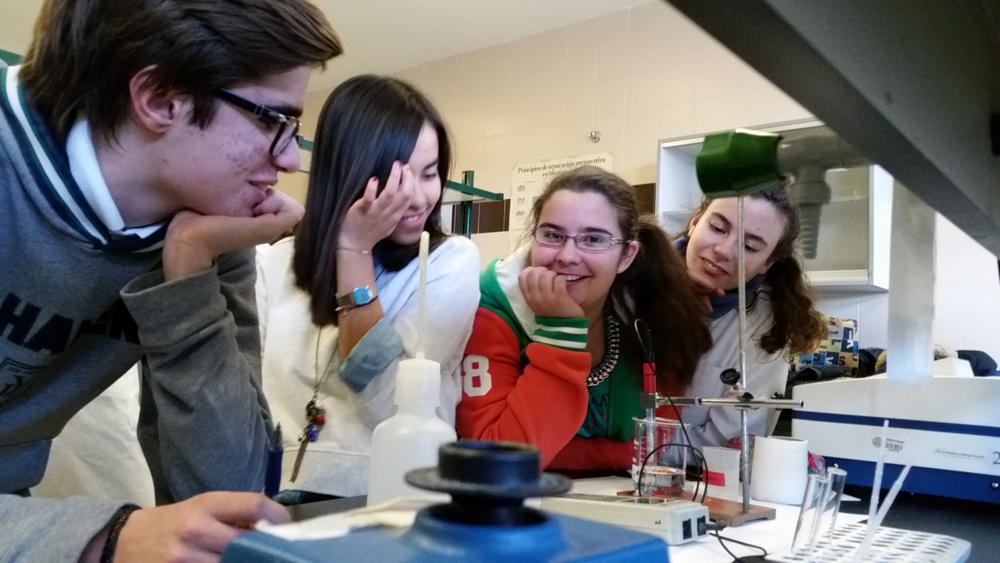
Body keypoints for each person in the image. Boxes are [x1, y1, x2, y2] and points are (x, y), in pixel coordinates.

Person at [0, 0, 341, 561]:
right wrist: (102, 539)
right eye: (271, 121)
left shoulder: (204, 225)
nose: (289, 161)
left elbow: (232, 494)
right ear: (159, 98)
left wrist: (189, 268)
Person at [256, 75, 480, 501]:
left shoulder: (449, 260)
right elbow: (249, 404)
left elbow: (390, 405)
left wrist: (354, 251)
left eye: (430, 173)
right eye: (397, 180)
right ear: (347, 175)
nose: (419, 198)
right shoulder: (276, 262)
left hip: (392, 499)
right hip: (271, 499)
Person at [456, 165, 712, 470]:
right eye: (553, 235)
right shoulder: (490, 306)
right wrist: (559, 332)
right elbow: (495, 458)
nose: (567, 256)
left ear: (627, 255)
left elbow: (653, 444)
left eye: (593, 239)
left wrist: (560, 453)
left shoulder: (653, 311)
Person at [676, 187, 825, 450]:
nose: (724, 250)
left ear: (769, 262)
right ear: (695, 222)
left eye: (749, 246)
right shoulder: (626, 275)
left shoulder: (767, 329)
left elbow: (728, 443)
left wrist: (635, 443)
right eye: (717, 228)